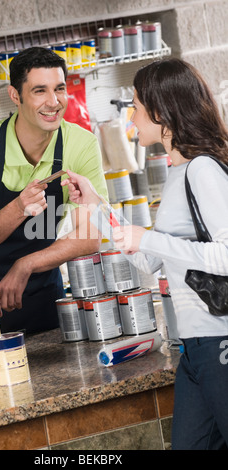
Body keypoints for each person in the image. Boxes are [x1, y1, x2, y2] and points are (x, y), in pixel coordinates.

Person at [62, 58, 228, 450]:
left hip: (220, 343)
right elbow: (149, 261)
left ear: (162, 112)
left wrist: (148, 238)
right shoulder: (177, 173)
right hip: (195, 348)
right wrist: (97, 206)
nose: (131, 118)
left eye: (135, 106)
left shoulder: (203, 170)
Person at [0, 46, 108, 334]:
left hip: (41, 292)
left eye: (59, 89)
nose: (54, 101)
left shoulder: (80, 144)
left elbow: (92, 234)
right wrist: (19, 208)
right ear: (15, 96)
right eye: (39, 91)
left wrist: (26, 264)